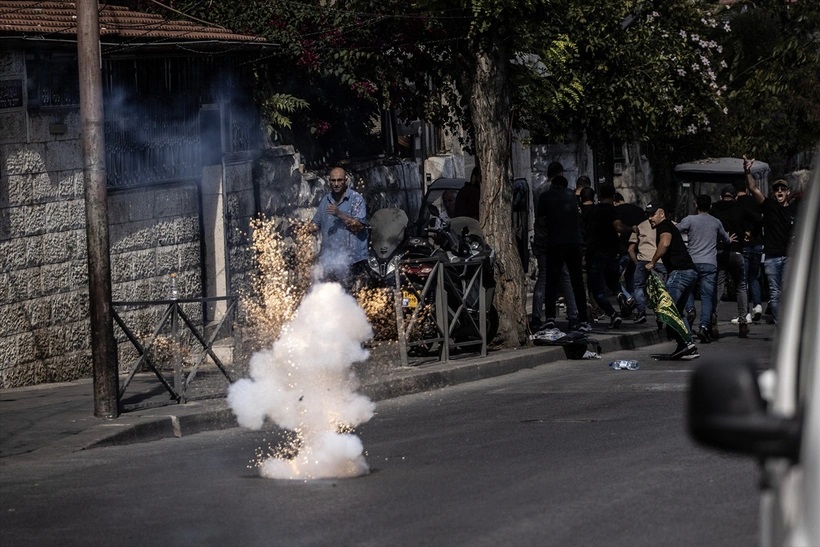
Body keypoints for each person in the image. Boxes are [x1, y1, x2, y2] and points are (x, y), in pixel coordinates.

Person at [743, 156, 799, 324]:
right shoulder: (769, 206)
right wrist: (747, 170)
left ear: (788, 192)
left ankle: (790, 323)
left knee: (788, 292)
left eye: (783, 189)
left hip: (790, 256)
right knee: (775, 294)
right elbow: (753, 188)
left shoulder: (795, 210)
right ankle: (780, 325)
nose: (779, 191)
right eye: (776, 189)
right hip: (772, 257)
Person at [535, 175, 591, 332]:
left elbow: (541, 221)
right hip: (574, 243)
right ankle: (583, 319)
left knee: (551, 281)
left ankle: (551, 317)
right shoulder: (573, 196)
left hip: (555, 242)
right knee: (577, 281)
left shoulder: (545, 196)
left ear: (552, 184)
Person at [645, 203, 700, 360]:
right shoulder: (666, 225)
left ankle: (685, 343)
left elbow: (665, 243)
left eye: (652, 214)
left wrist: (652, 262)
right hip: (689, 272)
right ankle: (688, 347)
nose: (650, 219)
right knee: (677, 312)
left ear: (661, 213)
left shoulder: (664, 226)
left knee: (668, 310)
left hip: (680, 272)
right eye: (648, 215)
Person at [676, 194, 732, 343]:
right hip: (710, 264)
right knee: (707, 297)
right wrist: (730, 239)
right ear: (710, 206)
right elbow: (726, 240)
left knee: (688, 290)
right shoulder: (716, 222)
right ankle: (704, 326)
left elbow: (676, 230)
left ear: (696, 205)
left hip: (692, 262)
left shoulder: (690, 220)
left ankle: (690, 310)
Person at [531, 162, 579, 330]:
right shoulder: (566, 194)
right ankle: (574, 316)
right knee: (565, 278)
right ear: (561, 174)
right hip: (558, 240)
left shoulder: (539, 191)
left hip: (543, 239)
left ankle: (537, 316)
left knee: (543, 278)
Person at [308, 166, 369, 291]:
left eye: (339, 180)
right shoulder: (326, 200)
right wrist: (302, 228)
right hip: (331, 260)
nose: (336, 184)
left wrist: (339, 214)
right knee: (332, 297)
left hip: (353, 261)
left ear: (345, 181)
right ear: (329, 181)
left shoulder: (356, 199)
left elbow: (359, 226)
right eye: (333, 181)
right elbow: (316, 224)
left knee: (352, 299)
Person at [710, 185, 757, 338]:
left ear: (721, 196)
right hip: (736, 251)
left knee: (718, 285)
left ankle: (713, 317)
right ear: (735, 196)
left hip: (720, 251)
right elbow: (759, 218)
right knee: (741, 286)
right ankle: (743, 322)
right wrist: (748, 230)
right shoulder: (740, 208)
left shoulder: (715, 209)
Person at [583, 184, 631, 328]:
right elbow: (618, 227)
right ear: (613, 196)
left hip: (594, 254)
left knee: (598, 292)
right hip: (610, 254)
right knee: (613, 283)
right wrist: (630, 228)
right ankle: (621, 295)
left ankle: (613, 314)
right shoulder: (612, 210)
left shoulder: (593, 210)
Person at [733, 177, 764, 323]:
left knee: (742, 280)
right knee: (754, 276)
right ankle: (757, 305)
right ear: (745, 189)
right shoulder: (754, 201)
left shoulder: (737, 204)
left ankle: (745, 313)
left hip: (745, 244)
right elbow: (760, 218)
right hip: (758, 243)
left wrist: (748, 231)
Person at [628, 213, 667, 324]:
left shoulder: (640, 226)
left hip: (643, 259)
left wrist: (637, 263)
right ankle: (660, 314)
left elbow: (630, 249)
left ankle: (641, 312)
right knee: (661, 289)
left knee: (638, 286)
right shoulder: (667, 225)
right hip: (660, 260)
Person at [613, 192, 645, 317]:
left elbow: (618, 227)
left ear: (615, 202)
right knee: (630, 276)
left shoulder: (617, 210)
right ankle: (631, 300)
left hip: (624, 249)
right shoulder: (638, 210)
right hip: (637, 248)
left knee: (613, 277)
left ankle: (628, 297)